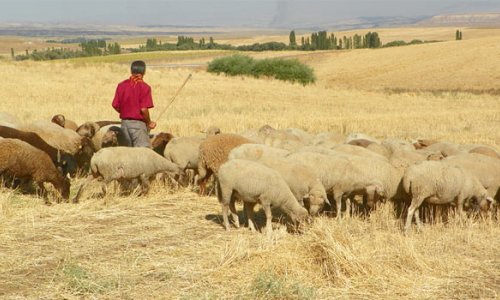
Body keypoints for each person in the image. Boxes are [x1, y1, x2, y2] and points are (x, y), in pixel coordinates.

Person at [112, 60, 157, 148]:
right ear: (144, 72)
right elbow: (143, 109)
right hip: (138, 125)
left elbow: (115, 105)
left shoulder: (121, 85)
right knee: (142, 153)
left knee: (128, 153)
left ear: (131, 71)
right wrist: (149, 122)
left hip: (124, 125)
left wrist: (126, 112)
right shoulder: (145, 87)